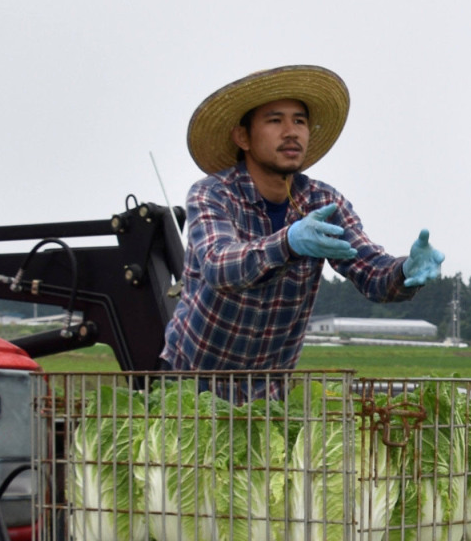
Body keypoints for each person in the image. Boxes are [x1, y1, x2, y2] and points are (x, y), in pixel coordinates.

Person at [162, 65, 445, 399]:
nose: (290, 132)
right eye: (274, 120)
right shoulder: (213, 194)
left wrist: (404, 270)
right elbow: (219, 265)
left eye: (299, 121)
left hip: (269, 390)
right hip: (193, 382)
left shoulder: (322, 201)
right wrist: (289, 241)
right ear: (243, 137)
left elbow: (369, 270)